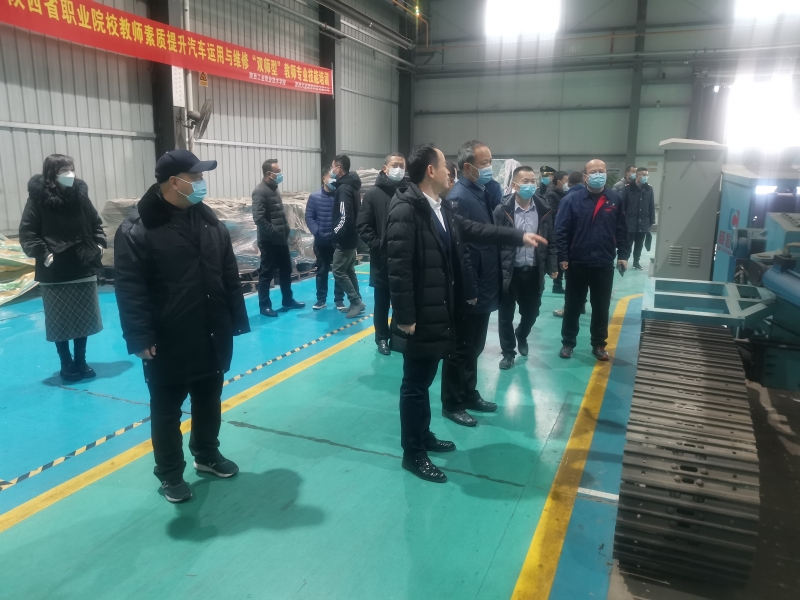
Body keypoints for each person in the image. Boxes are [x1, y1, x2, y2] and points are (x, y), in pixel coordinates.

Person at [387, 143, 545, 483]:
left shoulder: (438, 206)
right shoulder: (405, 209)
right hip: (419, 315)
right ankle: (413, 453)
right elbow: (398, 268)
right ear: (431, 171)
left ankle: (423, 436)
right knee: (414, 384)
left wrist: (518, 236)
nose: (450, 171)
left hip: (437, 309)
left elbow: (475, 230)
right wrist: (405, 317)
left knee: (424, 380)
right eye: (445, 165)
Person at [114, 149, 250, 503]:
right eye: (196, 177)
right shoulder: (137, 229)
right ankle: (170, 474)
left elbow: (228, 272)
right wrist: (140, 336)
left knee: (209, 400)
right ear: (175, 182)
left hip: (211, 331)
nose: (202, 183)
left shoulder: (208, 220)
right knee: (166, 411)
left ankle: (206, 454)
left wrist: (235, 319)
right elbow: (130, 287)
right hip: (168, 338)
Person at [19, 154, 106, 382]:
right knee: (60, 320)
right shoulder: (38, 200)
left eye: (71, 168)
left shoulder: (80, 197)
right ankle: (66, 362)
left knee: (83, 318)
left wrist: (98, 245)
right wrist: (43, 254)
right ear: (51, 174)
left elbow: (96, 224)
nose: (70, 173)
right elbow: (28, 232)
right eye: (63, 170)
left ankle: (81, 360)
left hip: (82, 266)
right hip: (54, 270)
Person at [440, 140, 500, 428]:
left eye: (490, 161)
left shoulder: (480, 192)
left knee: (475, 346)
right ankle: (452, 403)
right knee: (460, 348)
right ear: (468, 167)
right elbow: (461, 250)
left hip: (483, 283)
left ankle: (469, 393)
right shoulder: (459, 198)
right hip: (470, 288)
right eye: (484, 163)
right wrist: (471, 289)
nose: (489, 167)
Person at [556, 159, 629, 362]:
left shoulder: (614, 199)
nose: (599, 174)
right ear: (586, 177)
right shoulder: (572, 200)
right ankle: (568, 342)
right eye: (594, 171)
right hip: (577, 263)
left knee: (601, 306)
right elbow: (561, 230)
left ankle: (599, 344)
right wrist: (563, 256)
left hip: (603, 262)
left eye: (602, 171)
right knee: (573, 305)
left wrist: (623, 254)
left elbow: (622, 229)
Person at [495, 166, 558, 370]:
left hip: (533, 271)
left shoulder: (544, 210)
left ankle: (521, 334)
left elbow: (550, 240)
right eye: (525, 181)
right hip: (509, 271)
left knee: (531, 313)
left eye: (533, 181)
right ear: (514, 185)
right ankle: (508, 352)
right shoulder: (502, 210)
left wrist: (552, 265)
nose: (530, 185)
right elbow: (493, 240)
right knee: (505, 315)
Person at [357, 152, 406, 355]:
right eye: (395, 165)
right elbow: (363, 225)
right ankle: (382, 338)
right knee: (382, 302)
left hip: (404, 259)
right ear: (385, 168)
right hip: (382, 260)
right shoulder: (373, 194)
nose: (399, 169)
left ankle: (397, 335)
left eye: (402, 165)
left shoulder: (407, 192)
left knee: (402, 300)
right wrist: (378, 245)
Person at [252, 159, 304, 317]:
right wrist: (274, 233)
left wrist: (285, 230)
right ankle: (264, 306)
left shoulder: (274, 188)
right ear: (269, 173)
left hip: (281, 240)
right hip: (269, 241)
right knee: (266, 274)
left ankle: (287, 300)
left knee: (286, 270)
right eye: (278, 171)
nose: (281, 174)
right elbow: (259, 218)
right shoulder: (260, 191)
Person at [330, 154, 366, 319]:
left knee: (338, 270)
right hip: (352, 237)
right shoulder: (352, 186)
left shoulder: (344, 188)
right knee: (349, 270)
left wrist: (335, 233)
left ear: (339, 168)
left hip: (345, 239)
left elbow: (345, 216)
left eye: (333, 167)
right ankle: (357, 301)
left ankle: (355, 301)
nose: (332, 170)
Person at [306, 166, 345, 311]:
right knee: (322, 271)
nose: (334, 180)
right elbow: (309, 217)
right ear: (324, 179)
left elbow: (344, 216)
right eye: (332, 177)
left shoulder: (340, 196)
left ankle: (339, 300)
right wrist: (318, 232)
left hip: (337, 241)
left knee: (339, 271)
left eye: (336, 177)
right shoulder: (314, 197)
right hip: (321, 242)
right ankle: (321, 300)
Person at [553, 170, 588, 318]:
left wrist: (563, 255)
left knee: (572, 283)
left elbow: (561, 228)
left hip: (573, 249)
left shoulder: (568, 198)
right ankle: (581, 305)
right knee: (584, 281)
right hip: (589, 248)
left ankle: (569, 308)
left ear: (569, 183)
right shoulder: (590, 196)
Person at [620, 167, 655, 270]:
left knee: (639, 244)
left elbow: (651, 205)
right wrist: (622, 220)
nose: (646, 177)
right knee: (628, 244)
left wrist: (651, 221)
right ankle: (624, 262)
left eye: (647, 175)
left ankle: (636, 262)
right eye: (643, 175)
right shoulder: (628, 188)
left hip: (643, 221)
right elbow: (623, 205)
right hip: (630, 222)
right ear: (637, 175)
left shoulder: (649, 189)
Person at [545, 170, 569, 294]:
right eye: (566, 181)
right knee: (558, 256)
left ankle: (558, 283)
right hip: (556, 230)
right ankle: (557, 284)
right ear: (559, 182)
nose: (567, 183)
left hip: (561, 228)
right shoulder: (552, 194)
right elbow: (552, 213)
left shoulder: (563, 193)